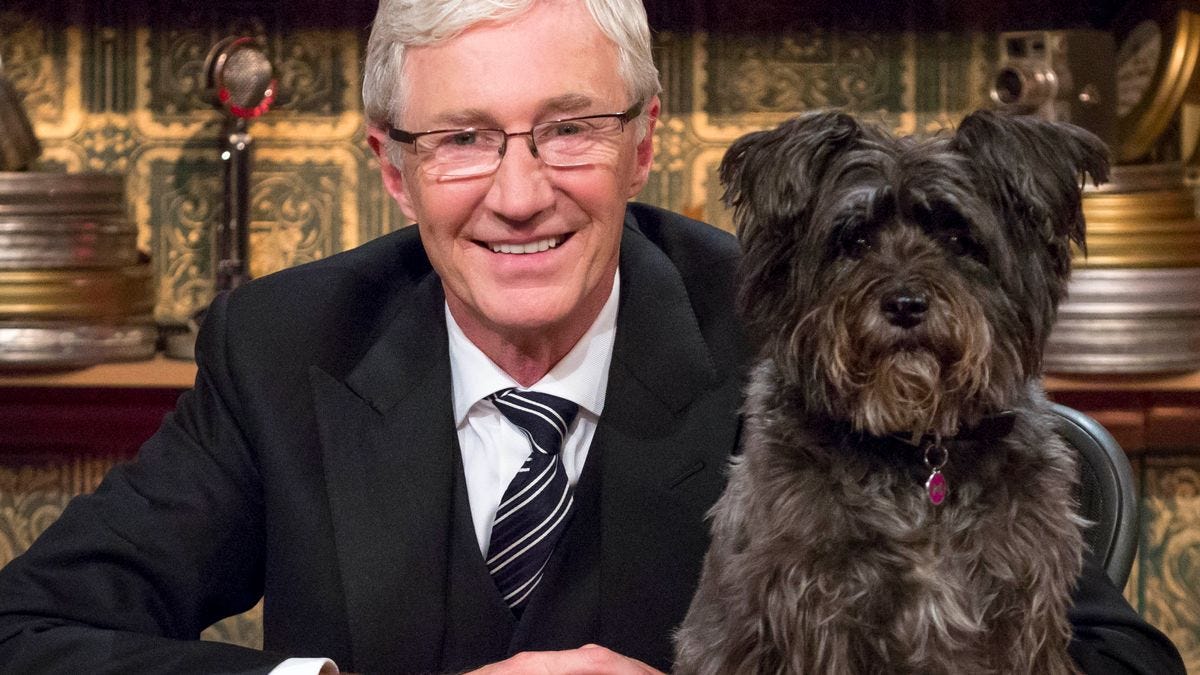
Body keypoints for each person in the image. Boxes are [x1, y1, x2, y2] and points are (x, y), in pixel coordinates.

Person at [0, 1, 1185, 673]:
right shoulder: (281, 347)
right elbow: (28, 632)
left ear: (644, 143)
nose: (519, 195)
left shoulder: (805, 327)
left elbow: (1116, 663)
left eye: (568, 129)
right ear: (393, 171)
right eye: (464, 138)